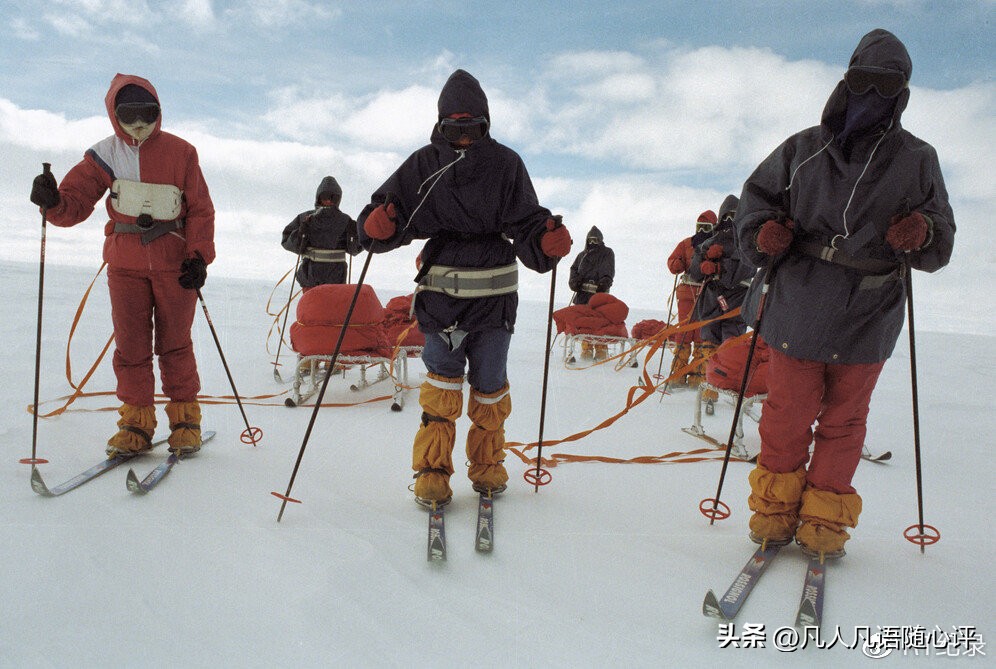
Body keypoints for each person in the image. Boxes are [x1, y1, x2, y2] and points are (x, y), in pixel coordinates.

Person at [734, 29, 954, 559]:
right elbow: (754, 202)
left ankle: (823, 524)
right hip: (800, 304)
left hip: (870, 311)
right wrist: (763, 232)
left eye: (886, 87)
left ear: (901, 94)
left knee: (844, 422)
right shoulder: (802, 149)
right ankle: (773, 512)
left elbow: (942, 236)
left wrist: (922, 231)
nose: (872, 97)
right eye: (864, 83)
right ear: (847, 81)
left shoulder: (918, 159)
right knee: (787, 413)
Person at [358, 69, 572, 506]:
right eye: (455, 130)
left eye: (472, 129)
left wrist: (545, 241)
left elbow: (527, 220)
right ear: (441, 126)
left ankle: (488, 467)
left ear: (486, 124)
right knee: (442, 387)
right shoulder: (423, 163)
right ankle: (432, 472)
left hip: (494, 305)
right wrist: (377, 226)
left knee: (491, 387)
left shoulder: (506, 163)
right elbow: (385, 212)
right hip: (441, 301)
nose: (464, 140)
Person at [29, 73, 215, 457]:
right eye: (129, 114)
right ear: (114, 115)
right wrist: (53, 201)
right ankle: (135, 424)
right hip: (124, 267)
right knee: (130, 346)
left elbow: (200, 209)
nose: (139, 123)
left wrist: (198, 257)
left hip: (174, 267)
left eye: (148, 112)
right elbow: (75, 203)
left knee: (175, 344)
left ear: (158, 111)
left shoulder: (183, 153)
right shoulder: (103, 155)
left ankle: (185, 422)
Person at [686, 196, 754, 399]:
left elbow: (744, 269)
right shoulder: (708, 243)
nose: (730, 221)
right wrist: (703, 262)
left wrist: (719, 267)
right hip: (711, 301)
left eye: (735, 216)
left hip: (736, 301)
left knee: (730, 346)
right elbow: (694, 272)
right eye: (727, 216)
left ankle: (733, 387)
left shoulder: (747, 243)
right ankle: (710, 386)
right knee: (709, 342)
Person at [281, 176, 361, 289]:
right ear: (318, 197)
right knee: (312, 307)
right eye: (325, 196)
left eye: (333, 197)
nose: (328, 200)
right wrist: (301, 231)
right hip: (311, 280)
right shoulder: (305, 218)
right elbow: (287, 241)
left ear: (338, 199)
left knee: (326, 307)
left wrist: (355, 233)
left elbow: (356, 248)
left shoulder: (346, 221)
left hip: (334, 281)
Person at [665, 210, 716, 384]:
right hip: (687, 293)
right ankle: (678, 374)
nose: (702, 231)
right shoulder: (685, 244)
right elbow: (672, 261)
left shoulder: (716, 245)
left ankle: (697, 376)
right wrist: (676, 264)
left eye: (706, 227)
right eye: (699, 227)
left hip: (707, 295)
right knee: (684, 333)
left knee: (702, 334)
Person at [568, 225, 615, 360]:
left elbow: (608, 270)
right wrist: (574, 282)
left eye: (596, 240)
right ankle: (586, 348)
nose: (593, 242)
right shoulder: (582, 255)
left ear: (600, 240)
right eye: (591, 240)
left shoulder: (607, 253)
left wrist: (604, 282)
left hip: (599, 294)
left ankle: (601, 349)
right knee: (585, 324)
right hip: (582, 294)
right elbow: (574, 270)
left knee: (600, 322)